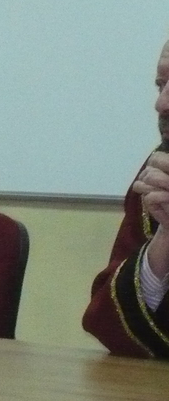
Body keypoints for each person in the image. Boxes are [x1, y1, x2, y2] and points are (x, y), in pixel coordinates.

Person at [82, 38, 169, 358]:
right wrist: (166, 236)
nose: (161, 103)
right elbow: (107, 323)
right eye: (161, 85)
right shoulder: (160, 173)